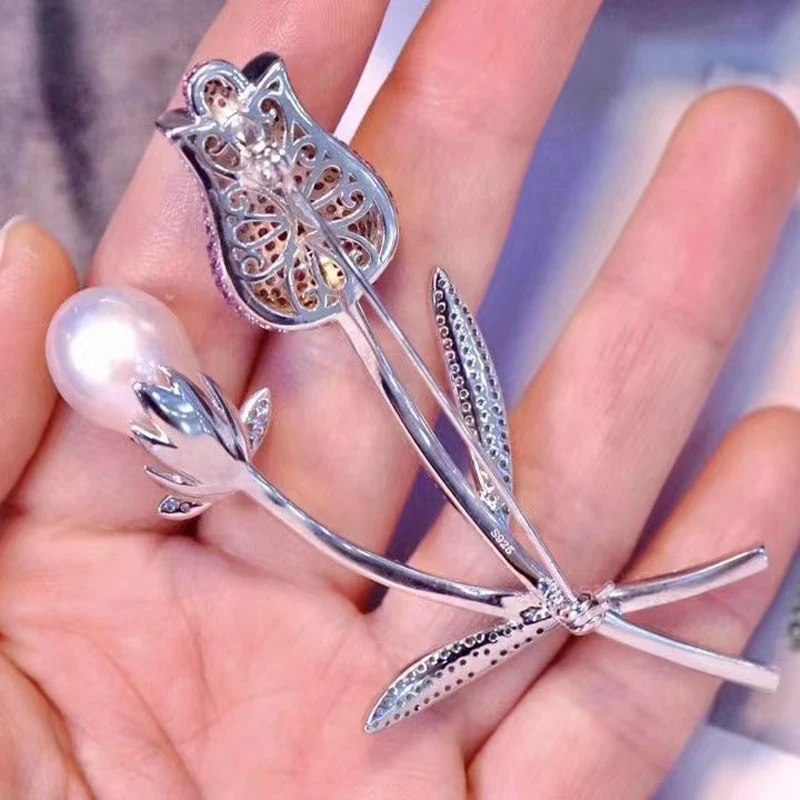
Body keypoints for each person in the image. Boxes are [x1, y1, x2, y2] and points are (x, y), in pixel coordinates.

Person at [1, 1, 799, 797]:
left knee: (445, 414)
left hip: (340, 258)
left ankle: (623, 612)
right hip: (303, 288)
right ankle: (610, 610)